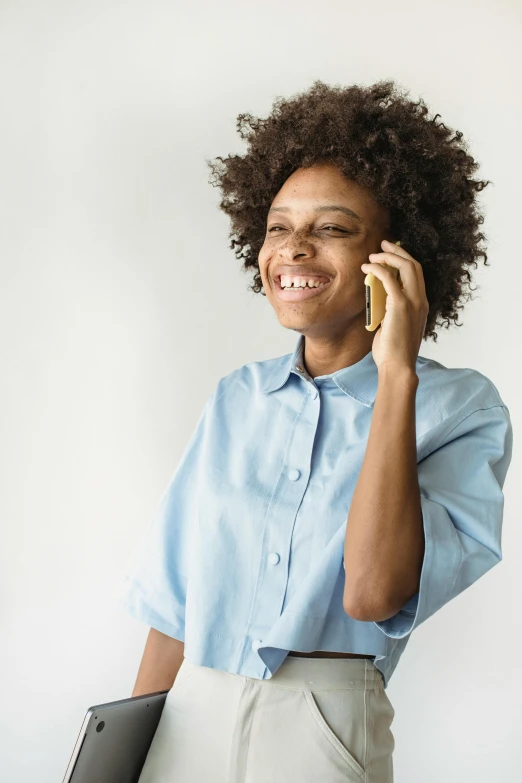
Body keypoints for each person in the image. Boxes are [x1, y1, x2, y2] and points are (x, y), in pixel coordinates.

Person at [115, 80, 513, 782]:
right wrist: (120, 760)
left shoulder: (461, 409)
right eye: (277, 226)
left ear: (394, 258)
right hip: (187, 715)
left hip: (323, 730)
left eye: (330, 228)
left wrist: (397, 376)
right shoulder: (237, 398)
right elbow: (173, 610)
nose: (293, 249)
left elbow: (373, 592)